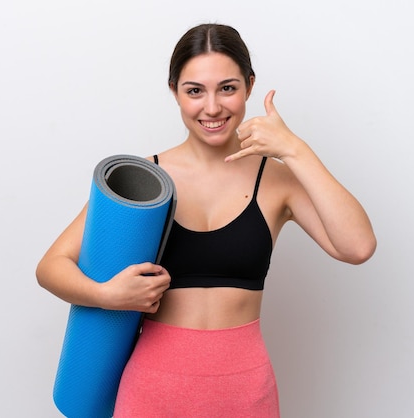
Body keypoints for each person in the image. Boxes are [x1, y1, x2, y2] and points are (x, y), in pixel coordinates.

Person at [36, 23, 376, 417]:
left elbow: (357, 246)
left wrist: (294, 150)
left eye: (227, 88)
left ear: (249, 86)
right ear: (174, 91)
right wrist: (108, 296)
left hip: (245, 392)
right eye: (194, 90)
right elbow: (50, 267)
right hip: (151, 391)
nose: (212, 107)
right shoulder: (145, 180)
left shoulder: (278, 179)